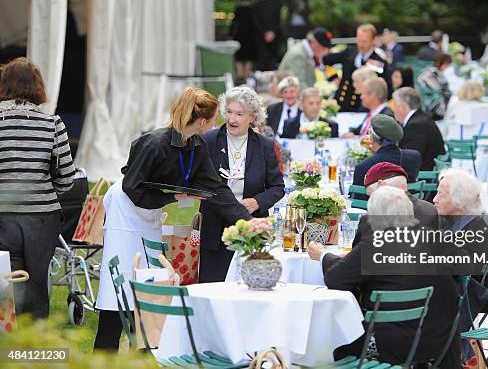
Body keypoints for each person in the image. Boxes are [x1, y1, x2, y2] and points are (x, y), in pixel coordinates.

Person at [94, 87, 252, 350]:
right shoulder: (154, 143)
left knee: (149, 279)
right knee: (118, 285)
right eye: (214, 119)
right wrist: (171, 198)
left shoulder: (196, 145)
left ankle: (146, 346)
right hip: (126, 208)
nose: (217, 124)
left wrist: (244, 218)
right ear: (203, 121)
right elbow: (132, 188)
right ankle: (105, 350)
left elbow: (216, 187)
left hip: (150, 209)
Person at [307, 186, 461, 368]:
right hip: (438, 340)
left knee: (333, 332)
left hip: (389, 344)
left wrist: (323, 255)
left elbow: (335, 279)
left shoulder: (376, 242)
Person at [0, 57, 75, 319]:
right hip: (43, 219)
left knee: (7, 281)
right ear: (37, 86)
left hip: (3, 215)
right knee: (36, 281)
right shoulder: (53, 124)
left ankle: (9, 342)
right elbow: (66, 178)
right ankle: (36, 346)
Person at [200, 86, 284, 282]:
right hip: (215, 227)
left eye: (239, 114)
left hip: (252, 226)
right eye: (229, 112)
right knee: (214, 285)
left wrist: (257, 202)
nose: (232, 119)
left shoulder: (265, 145)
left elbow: (277, 187)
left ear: (252, 117)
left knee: (251, 284)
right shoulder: (209, 141)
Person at [433, 168, 488, 314]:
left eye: (441, 195)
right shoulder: (464, 223)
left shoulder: (473, 236)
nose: (434, 199)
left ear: (460, 202)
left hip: (462, 306)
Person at [323, 24, 390, 112]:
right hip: (342, 102)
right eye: (359, 40)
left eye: (365, 41)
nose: (361, 44)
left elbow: (385, 87)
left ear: (373, 41)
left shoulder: (379, 61)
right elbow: (326, 60)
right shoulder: (349, 52)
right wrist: (333, 77)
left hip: (363, 107)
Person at [352, 114, 422, 199]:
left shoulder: (363, 167)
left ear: (373, 138)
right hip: (409, 208)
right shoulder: (414, 157)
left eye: (369, 132)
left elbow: (357, 202)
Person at [393, 87, 445, 171]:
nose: (393, 109)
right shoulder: (420, 118)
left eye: (394, 105)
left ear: (402, 107)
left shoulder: (416, 125)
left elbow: (409, 159)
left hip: (424, 177)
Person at [417, 53, 452, 121]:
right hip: (431, 107)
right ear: (441, 63)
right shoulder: (435, 73)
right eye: (447, 65)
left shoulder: (429, 70)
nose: (447, 67)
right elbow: (443, 91)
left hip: (425, 104)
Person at [230, 0, 258, 82]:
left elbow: (233, 24)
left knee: (239, 58)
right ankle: (247, 77)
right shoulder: (252, 10)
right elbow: (255, 24)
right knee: (248, 58)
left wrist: (230, 34)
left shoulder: (238, 10)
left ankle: (240, 76)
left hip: (239, 37)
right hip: (250, 38)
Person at [252, 0, 282, 71]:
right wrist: (266, 33)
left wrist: (272, 32)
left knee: (272, 61)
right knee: (262, 60)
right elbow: (255, 22)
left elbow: (278, 20)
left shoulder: (277, 3)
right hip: (261, 38)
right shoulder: (256, 5)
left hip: (274, 38)